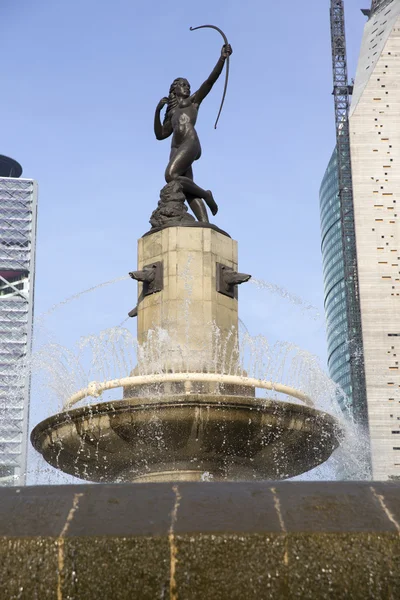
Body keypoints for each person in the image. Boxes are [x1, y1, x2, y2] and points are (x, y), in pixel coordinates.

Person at [154, 43, 232, 222]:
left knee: (171, 176)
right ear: (175, 90)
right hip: (176, 148)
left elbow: (209, 82)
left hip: (190, 142)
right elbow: (160, 135)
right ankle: (204, 223)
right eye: (183, 85)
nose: (187, 87)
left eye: (188, 85)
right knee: (186, 189)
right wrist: (157, 111)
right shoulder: (172, 113)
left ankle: (206, 194)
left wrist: (222, 58)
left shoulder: (193, 102)